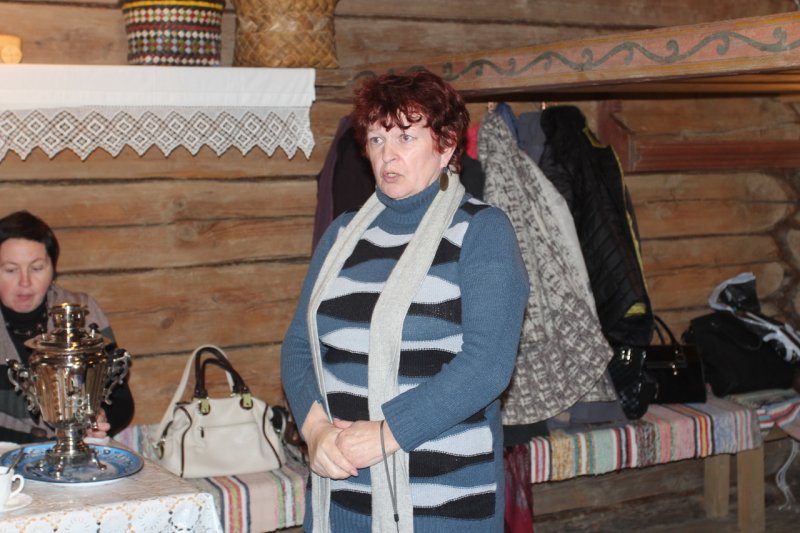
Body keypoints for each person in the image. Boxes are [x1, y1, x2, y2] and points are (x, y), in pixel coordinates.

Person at [281, 70, 529, 532]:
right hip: (341, 496)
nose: (387, 155)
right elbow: (299, 344)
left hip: (442, 504)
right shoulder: (343, 234)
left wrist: (387, 433)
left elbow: (488, 365)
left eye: (406, 137)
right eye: (376, 139)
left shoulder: (482, 232)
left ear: (447, 144)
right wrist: (314, 431)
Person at [0, 211, 134, 443]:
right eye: (11, 270)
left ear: (53, 270)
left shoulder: (83, 311)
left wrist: (101, 418)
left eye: (37, 268)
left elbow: (120, 398)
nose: (25, 282)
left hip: (77, 448)